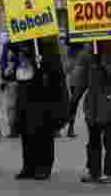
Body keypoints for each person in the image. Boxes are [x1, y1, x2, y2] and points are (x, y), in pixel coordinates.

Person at [13, 37, 69, 181]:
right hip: (26, 96)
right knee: (26, 133)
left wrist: (40, 62)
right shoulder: (24, 46)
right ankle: (28, 166)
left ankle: (44, 167)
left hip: (43, 98)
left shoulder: (49, 50)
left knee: (43, 133)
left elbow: (55, 74)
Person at [71, 41, 111, 184]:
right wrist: (74, 100)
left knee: (110, 141)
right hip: (93, 105)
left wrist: (102, 62)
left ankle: (110, 173)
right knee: (93, 141)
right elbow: (81, 79)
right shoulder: (87, 53)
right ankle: (94, 171)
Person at [64, 41, 87, 138]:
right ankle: (69, 127)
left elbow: (67, 67)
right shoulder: (82, 49)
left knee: (74, 101)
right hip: (79, 75)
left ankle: (69, 127)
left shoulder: (71, 51)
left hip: (76, 75)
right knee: (74, 101)